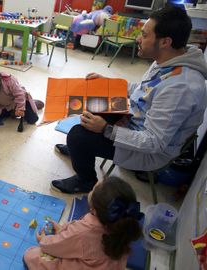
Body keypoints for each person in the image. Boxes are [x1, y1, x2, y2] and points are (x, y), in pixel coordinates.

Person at [51, 6, 207, 194]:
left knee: (78, 135)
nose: (138, 39)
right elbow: (143, 90)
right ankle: (80, 151)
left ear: (165, 41)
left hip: (148, 151)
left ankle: (85, 180)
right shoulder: (168, 60)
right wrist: (109, 83)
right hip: (136, 121)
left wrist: (107, 129)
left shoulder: (181, 88)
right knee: (94, 103)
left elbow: (153, 142)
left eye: (144, 35)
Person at [24, 177, 143, 270]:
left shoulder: (84, 231)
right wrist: (63, 229)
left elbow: (57, 246)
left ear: (94, 208)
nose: (92, 188)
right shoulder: (124, 223)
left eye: (94, 189)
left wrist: (44, 240)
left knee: (31, 255)